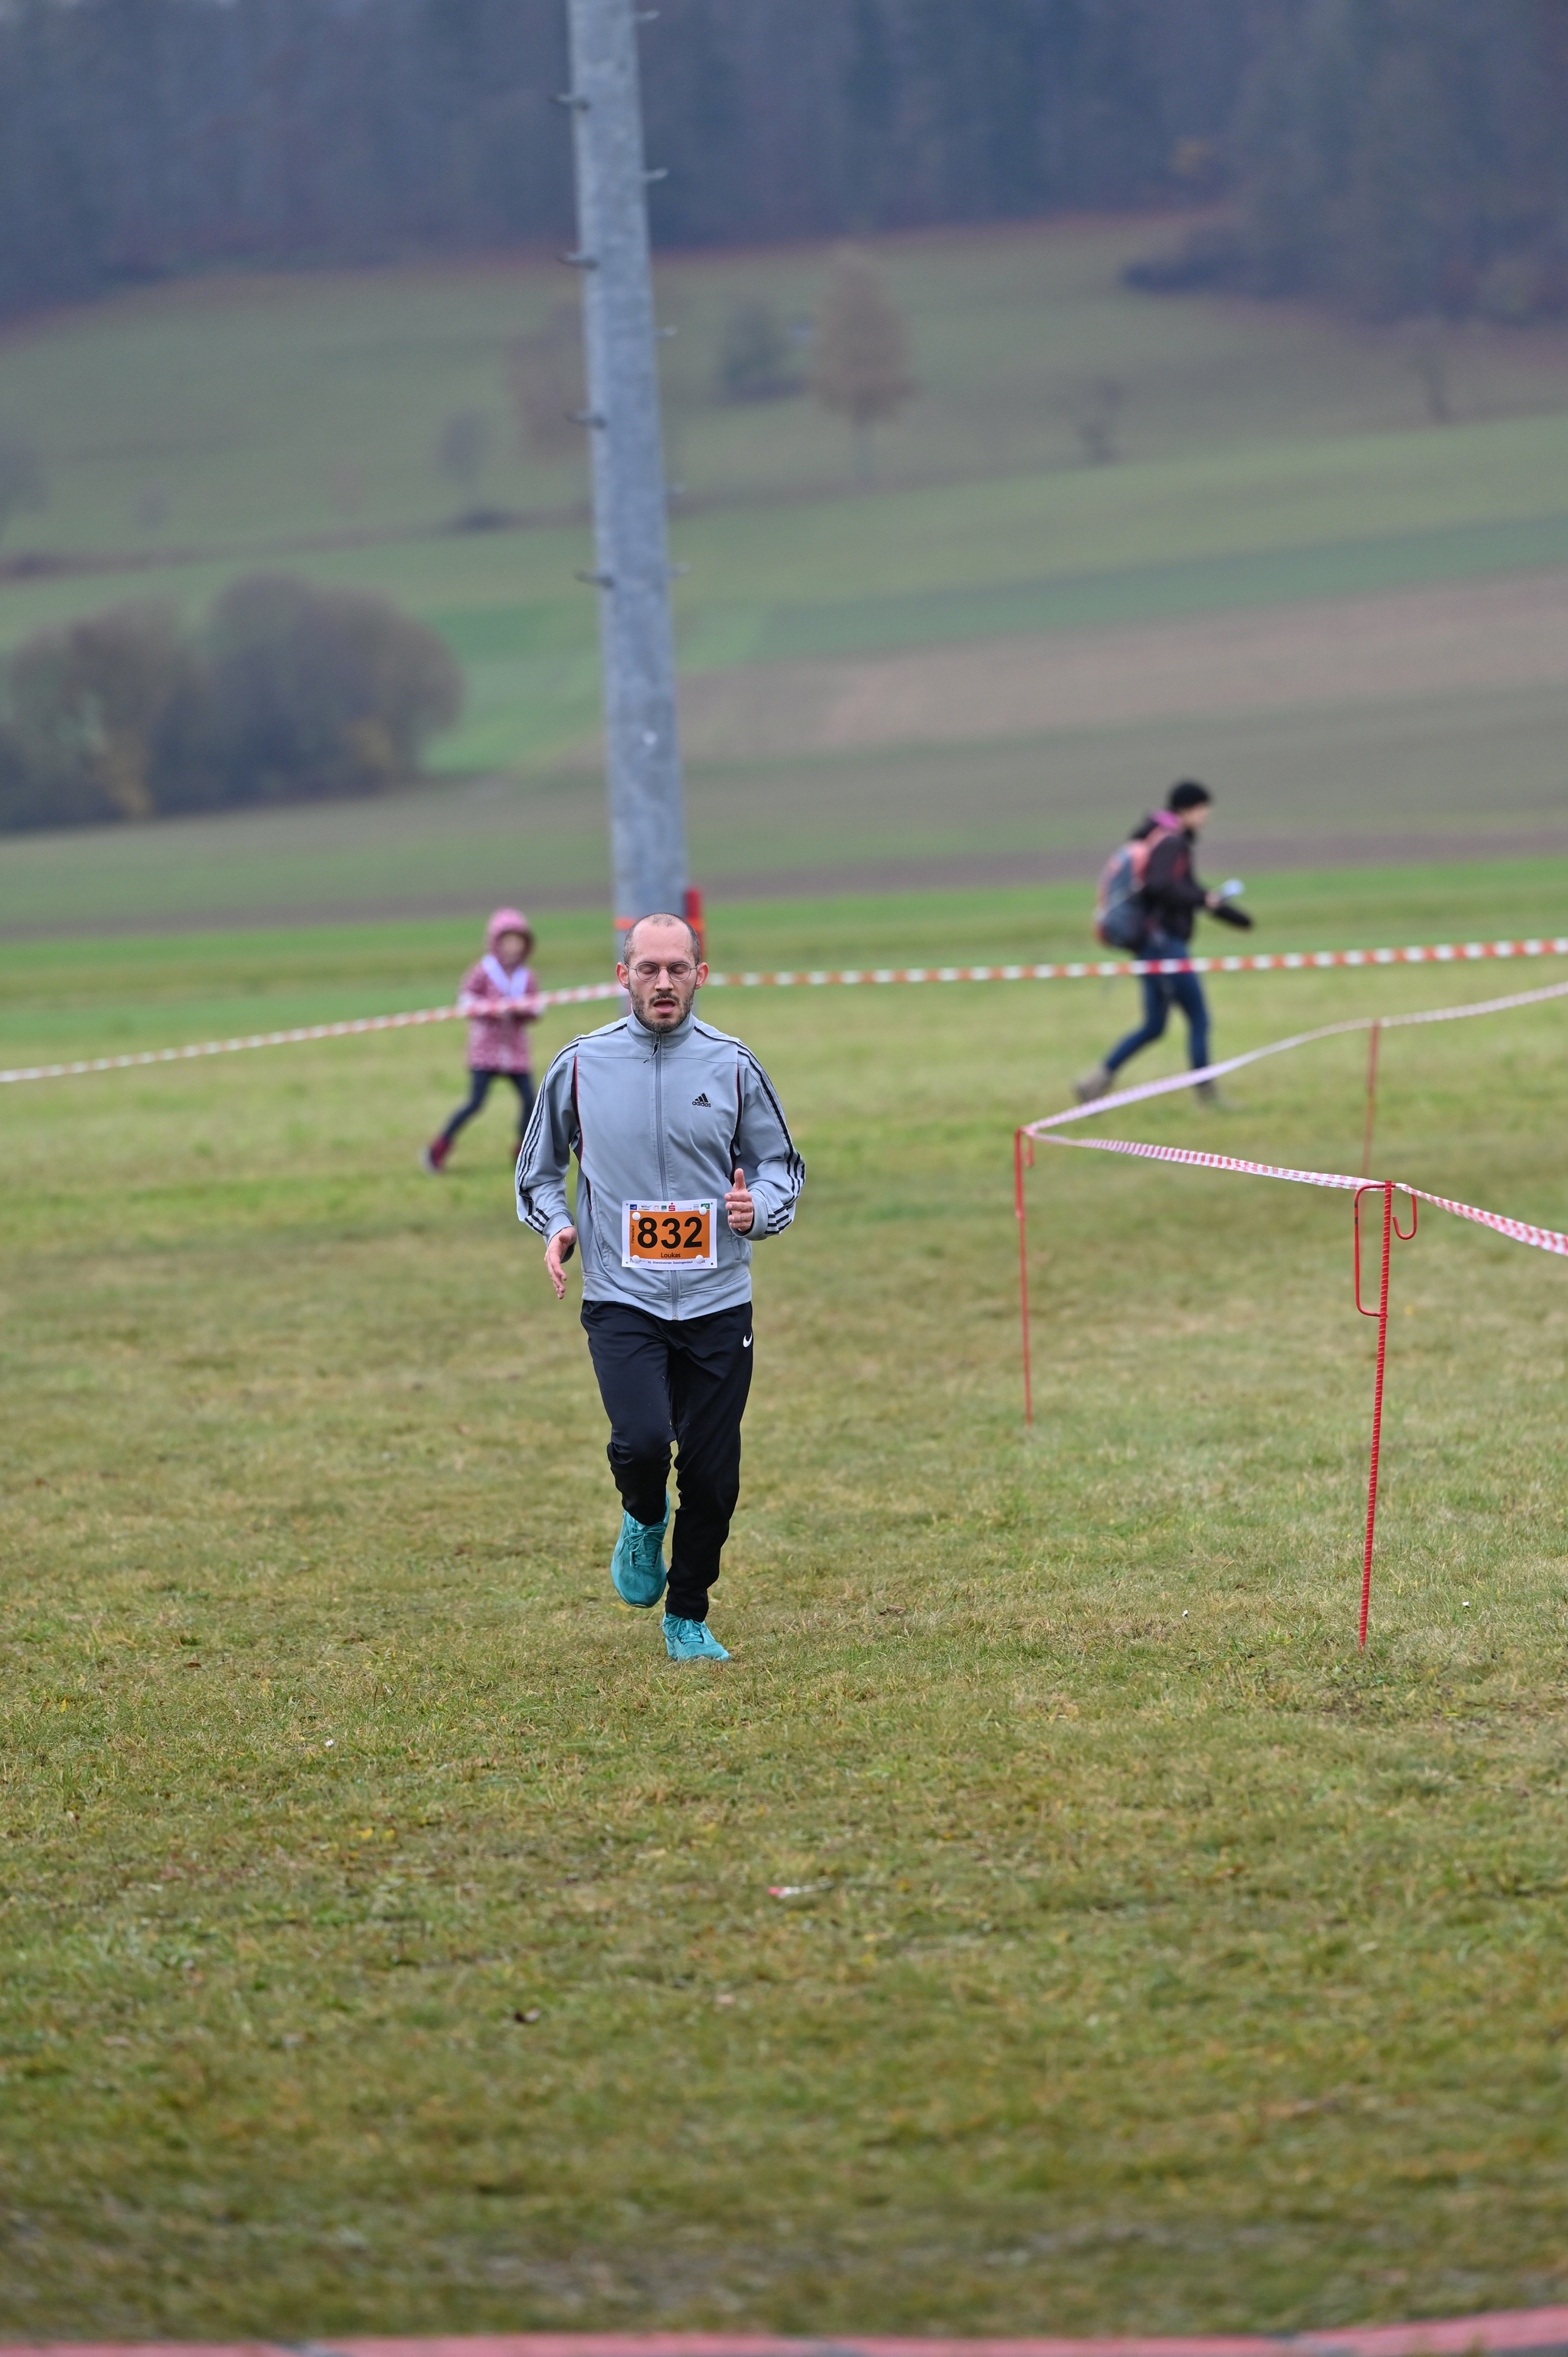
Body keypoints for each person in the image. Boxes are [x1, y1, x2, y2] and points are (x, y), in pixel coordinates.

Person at [516, 913, 804, 1662]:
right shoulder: (580, 1064)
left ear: (700, 975)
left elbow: (780, 1165)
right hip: (622, 1297)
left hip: (717, 1301)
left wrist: (758, 1209)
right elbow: (537, 1172)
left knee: (712, 1475)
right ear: (624, 977)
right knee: (643, 1442)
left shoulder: (733, 1066)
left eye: (678, 968)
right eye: (648, 969)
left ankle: (686, 1615)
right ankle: (644, 1516)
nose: (664, 982)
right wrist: (558, 1224)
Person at [1076, 780, 1252, 1104]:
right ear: (1187, 809)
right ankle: (1207, 1094)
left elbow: (1187, 889)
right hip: (1164, 945)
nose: (1206, 816)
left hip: (1150, 945)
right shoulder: (1172, 842)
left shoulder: (1156, 837)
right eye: (1203, 809)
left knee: (1154, 1025)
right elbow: (1163, 886)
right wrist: (1205, 900)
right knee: (1198, 1017)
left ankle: (1094, 1082)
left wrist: (1229, 913)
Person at [423, 907, 543, 1171]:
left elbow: (538, 1008)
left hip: (516, 1052)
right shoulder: (483, 970)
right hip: (486, 1051)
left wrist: (524, 1011)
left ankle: (524, 1153)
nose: (513, 947)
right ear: (496, 942)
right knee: (475, 1102)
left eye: (518, 941)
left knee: (530, 1102)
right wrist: (491, 1009)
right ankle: (438, 1149)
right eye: (507, 941)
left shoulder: (526, 976)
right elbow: (465, 1000)